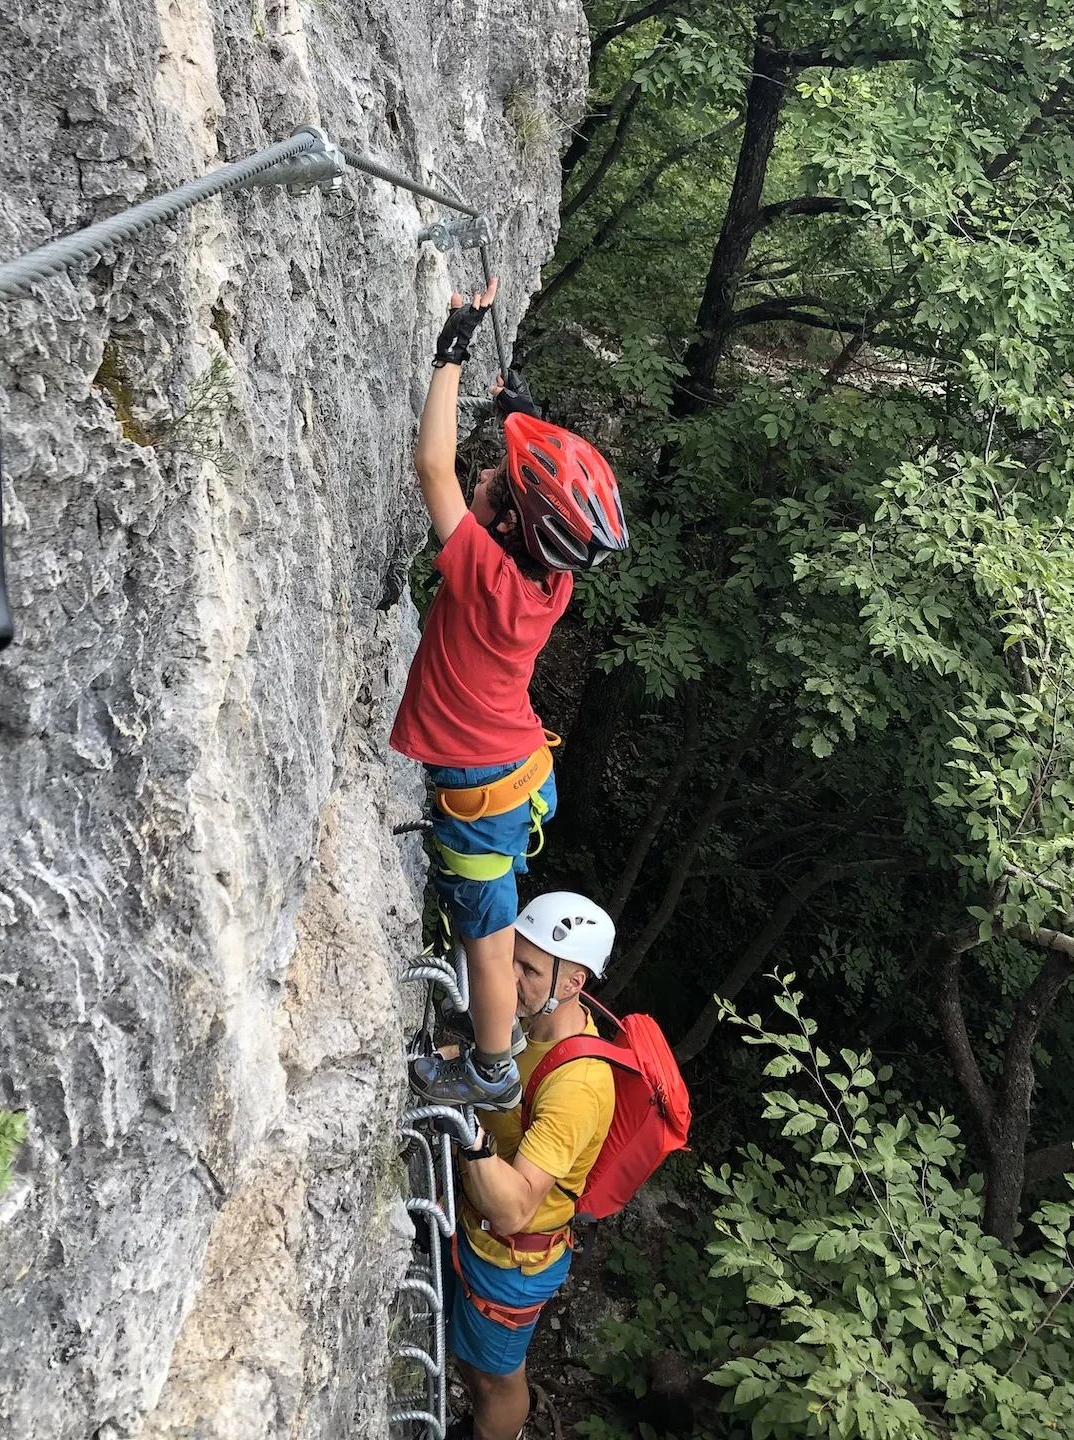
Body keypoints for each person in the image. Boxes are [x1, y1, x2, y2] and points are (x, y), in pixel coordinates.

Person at [393, 279, 629, 1109]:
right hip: (511, 768)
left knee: (487, 940)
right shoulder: (545, 581)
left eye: (493, 479)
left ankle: (490, 1067)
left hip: (481, 787)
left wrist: (451, 348)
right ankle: (488, 1054)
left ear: (501, 528)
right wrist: (519, 419)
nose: (481, 473)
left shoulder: (485, 575)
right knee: (488, 926)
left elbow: (432, 466)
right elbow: (507, 501)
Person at [444, 891, 618, 1440]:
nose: (511, 977)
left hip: (512, 1258)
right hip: (478, 1234)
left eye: (530, 969)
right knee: (475, 1366)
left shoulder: (579, 1086)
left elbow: (517, 1206)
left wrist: (467, 1126)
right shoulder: (529, 1027)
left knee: (496, 1381)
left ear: (573, 983)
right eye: (513, 957)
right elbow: (501, 1083)